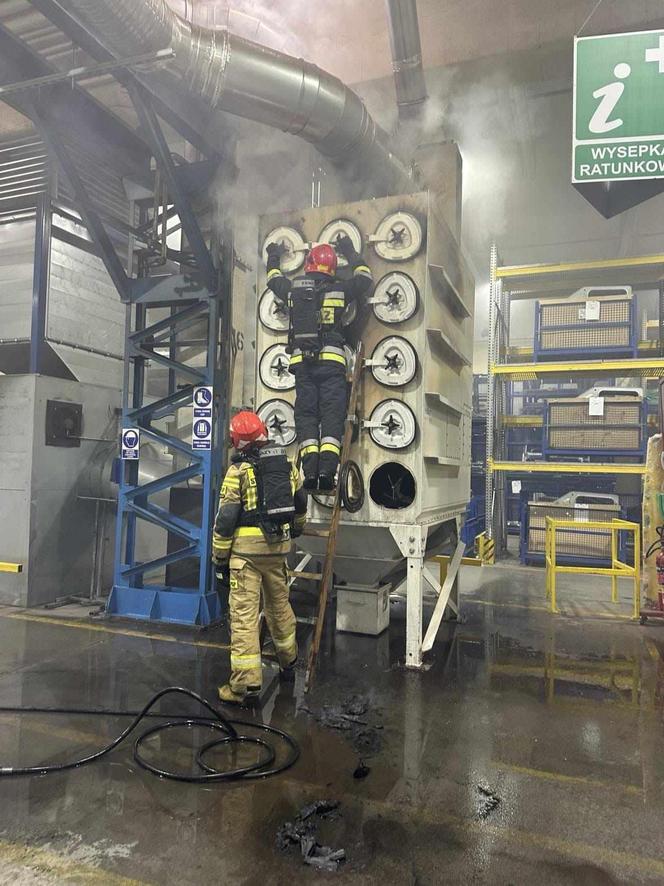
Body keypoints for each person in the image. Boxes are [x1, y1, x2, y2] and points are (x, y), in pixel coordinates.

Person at [212, 410, 308, 705]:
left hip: (246, 556)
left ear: (237, 440)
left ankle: (244, 685)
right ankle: (289, 662)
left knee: (244, 617)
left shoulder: (237, 471)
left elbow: (226, 518)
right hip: (277, 549)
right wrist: (296, 529)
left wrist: (219, 557)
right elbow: (301, 501)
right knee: (280, 607)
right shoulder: (287, 464)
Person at [265, 235, 373, 491]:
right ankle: (327, 472)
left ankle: (309, 474)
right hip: (332, 364)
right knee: (332, 414)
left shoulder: (293, 290)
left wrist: (274, 254)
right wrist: (350, 251)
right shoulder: (340, 289)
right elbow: (365, 278)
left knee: (306, 415)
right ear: (332, 267)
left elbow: (273, 279)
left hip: (302, 363)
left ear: (309, 264)